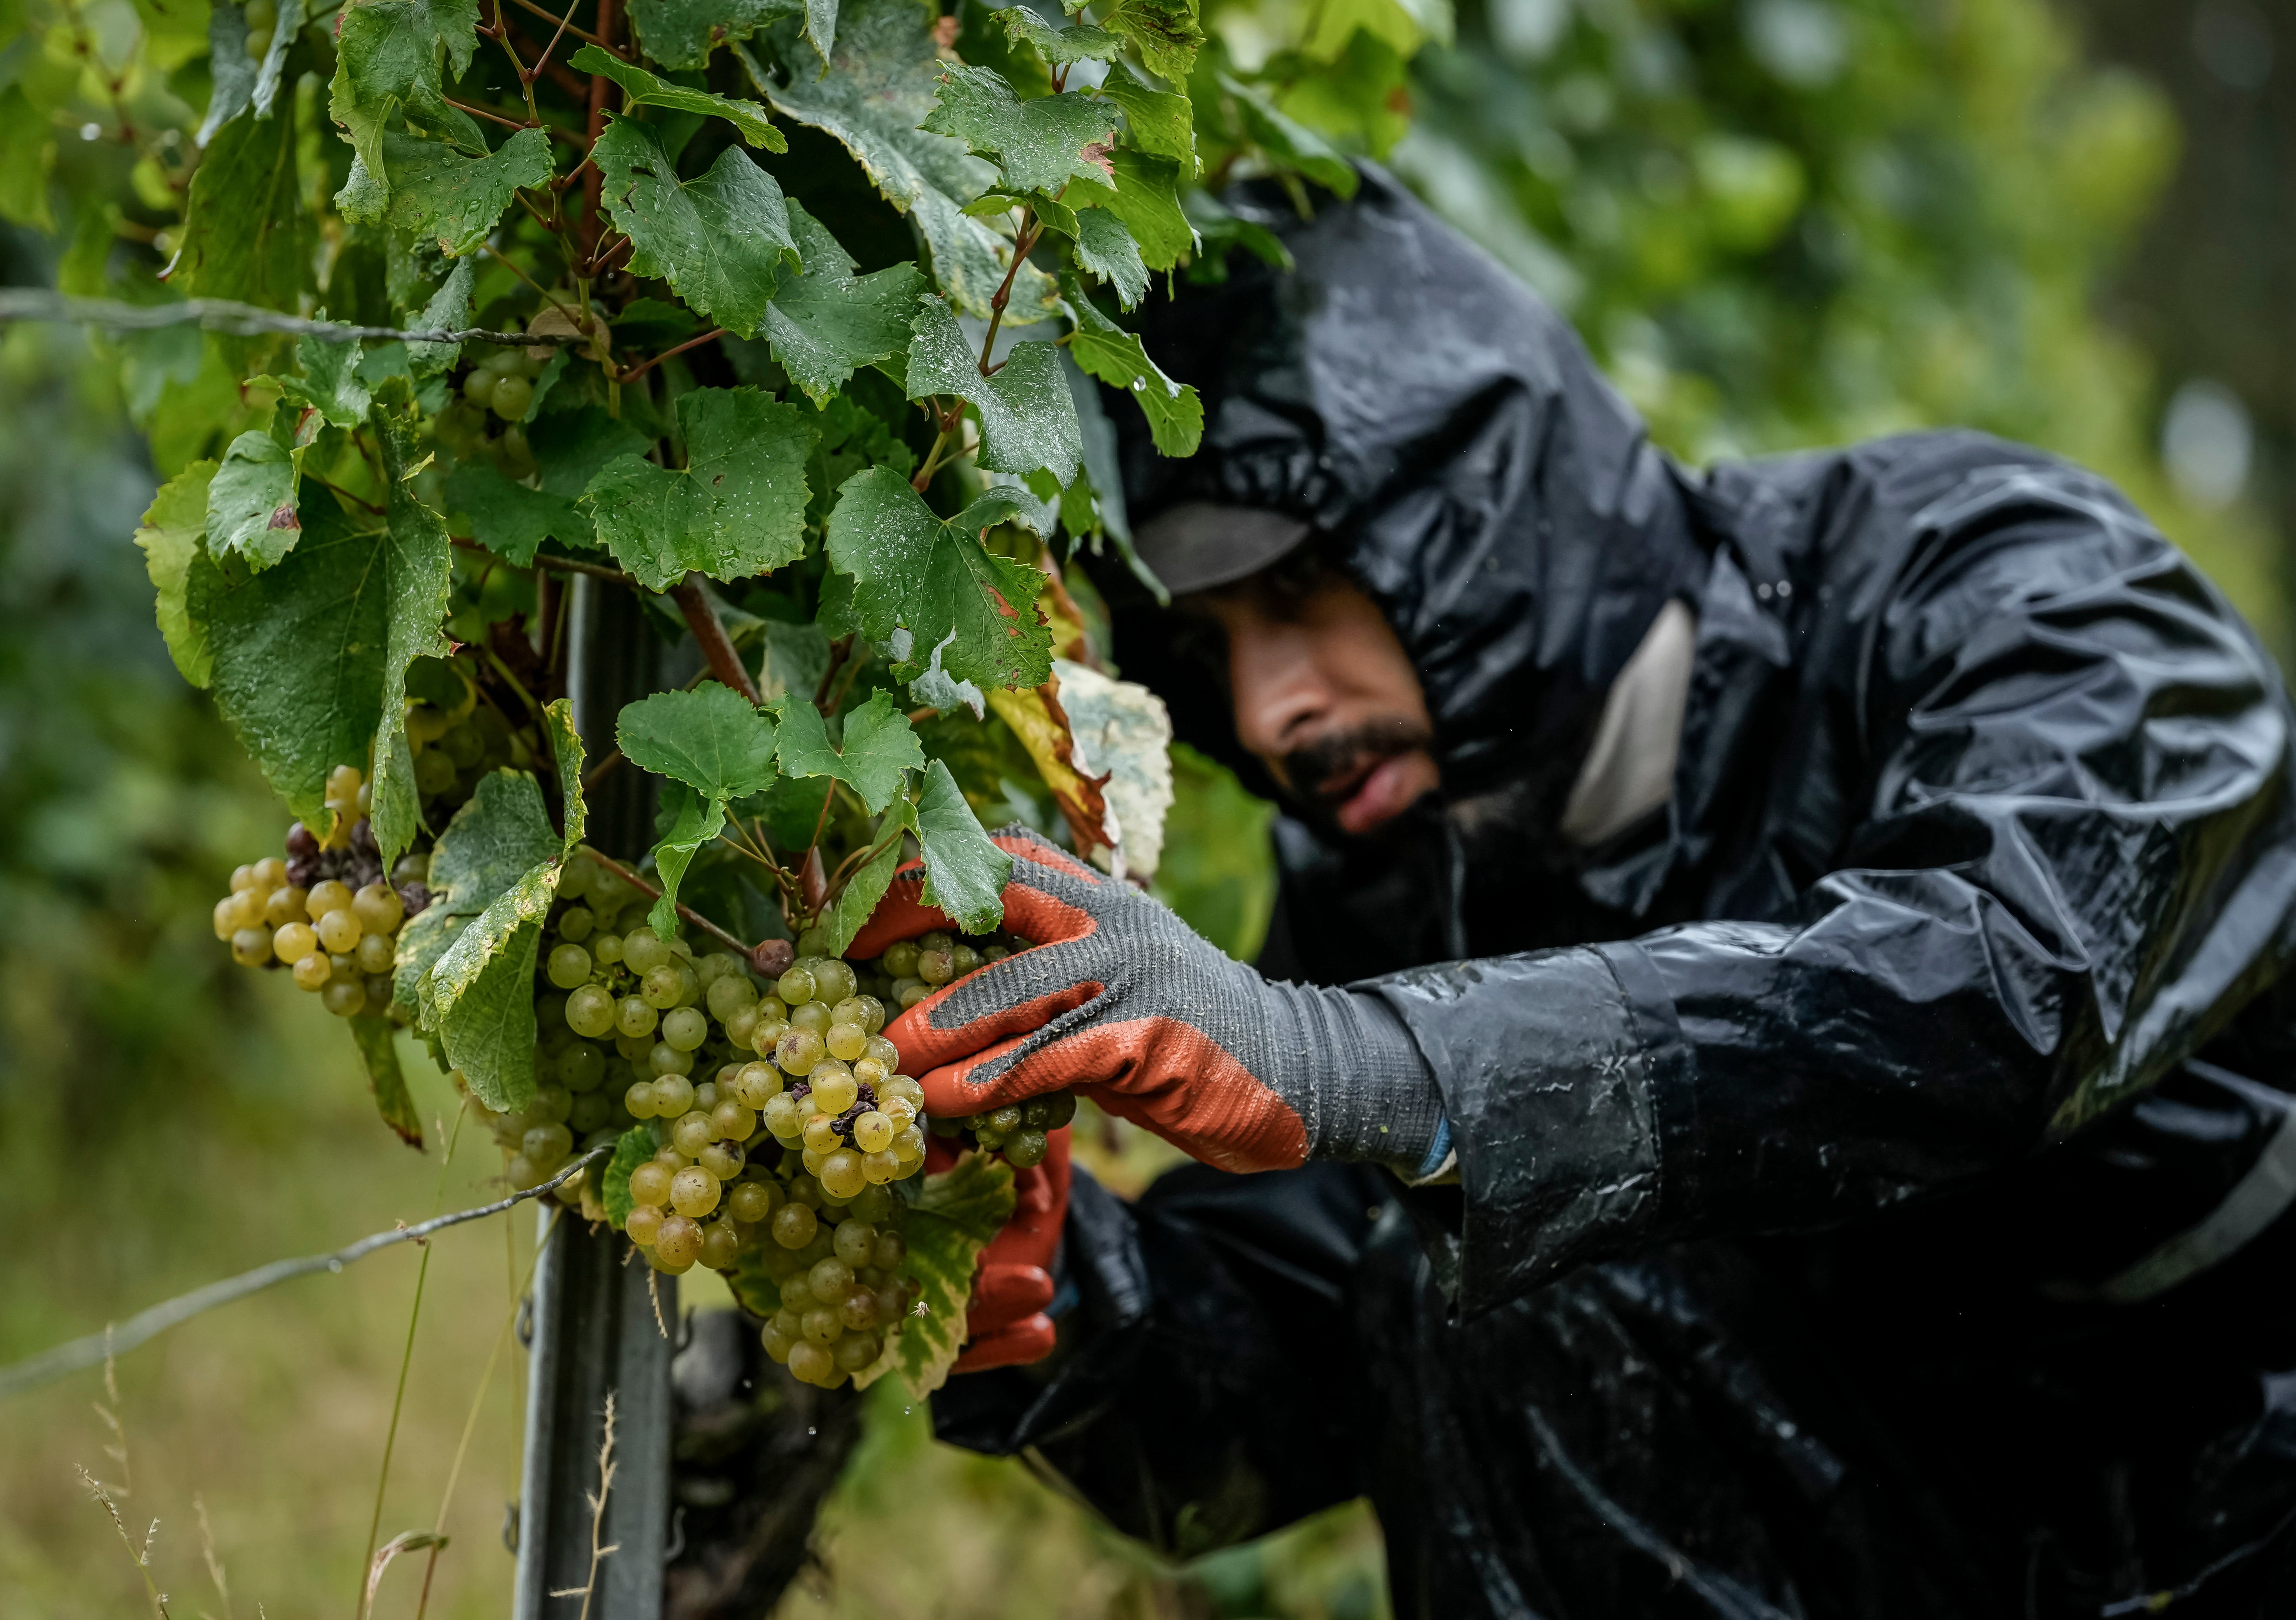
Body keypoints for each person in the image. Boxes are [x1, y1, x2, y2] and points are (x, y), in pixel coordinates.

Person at [852, 171, 2296, 1617]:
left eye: (1297, 594)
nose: (1272, 710)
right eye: (1209, 643)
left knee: (1545, 1227)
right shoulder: (1407, 867)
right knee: (1485, 1277)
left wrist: (1366, 1060)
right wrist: (1066, 1302)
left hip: (2239, 1514)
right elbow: (1313, 1361)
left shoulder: (2007, 585)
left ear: (1466, 506)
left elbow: (1997, 985)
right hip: (1952, 1548)